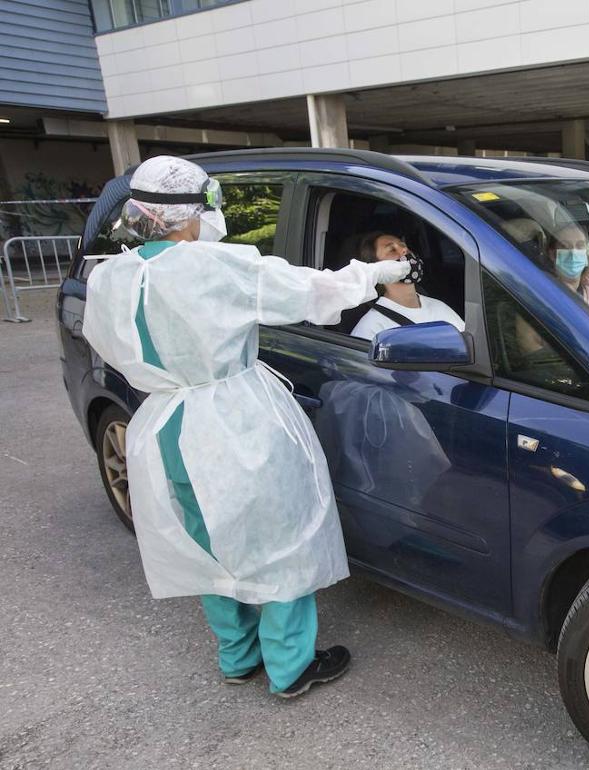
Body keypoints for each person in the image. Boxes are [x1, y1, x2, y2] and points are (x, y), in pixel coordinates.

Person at [81, 156, 410, 698]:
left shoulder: (111, 276)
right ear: (192, 211)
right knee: (281, 540)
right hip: (237, 422)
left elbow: (111, 345)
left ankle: (237, 656)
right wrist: (378, 273)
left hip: (165, 426)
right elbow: (312, 291)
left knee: (210, 547)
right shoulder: (215, 266)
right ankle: (290, 667)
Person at [349, 231, 465, 340]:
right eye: (392, 250)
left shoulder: (439, 307)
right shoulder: (372, 328)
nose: (404, 249)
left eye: (403, 245)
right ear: (377, 270)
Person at [547, 224, 589, 321]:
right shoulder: (546, 290)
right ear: (552, 254)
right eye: (565, 246)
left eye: (580, 246)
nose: (573, 252)